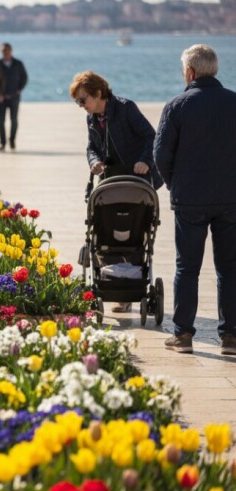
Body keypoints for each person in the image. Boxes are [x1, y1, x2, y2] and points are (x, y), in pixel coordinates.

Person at [153, 44, 236, 355]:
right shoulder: (233, 102)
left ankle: (184, 335)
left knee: (187, 267)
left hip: (190, 199)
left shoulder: (177, 105)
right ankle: (230, 337)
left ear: (190, 72)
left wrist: (177, 185)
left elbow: (161, 155)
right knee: (229, 268)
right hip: (231, 199)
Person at [70, 71, 163, 313]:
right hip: (110, 182)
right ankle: (115, 285)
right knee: (107, 232)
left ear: (98, 93)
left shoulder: (125, 108)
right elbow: (91, 146)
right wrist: (94, 161)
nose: (81, 106)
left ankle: (130, 289)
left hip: (135, 179)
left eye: (83, 100)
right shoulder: (92, 118)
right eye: (77, 102)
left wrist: (145, 161)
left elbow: (151, 137)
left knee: (135, 232)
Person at [0, 42, 28, 151]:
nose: (5, 53)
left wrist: (19, 89)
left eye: (7, 50)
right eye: (3, 51)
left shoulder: (18, 63)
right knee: (1, 121)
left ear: (11, 51)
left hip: (14, 96)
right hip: (1, 98)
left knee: (14, 120)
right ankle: (2, 143)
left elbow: (24, 78)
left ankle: (12, 141)